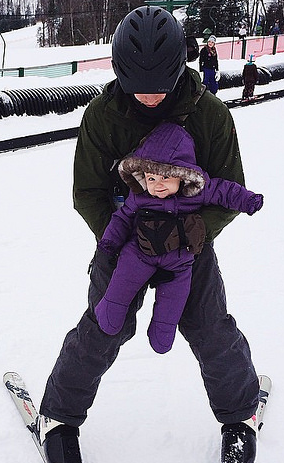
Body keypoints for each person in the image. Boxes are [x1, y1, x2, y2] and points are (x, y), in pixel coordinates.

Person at [39, 5, 261, 463]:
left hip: (189, 246)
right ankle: (58, 416)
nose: (150, 94)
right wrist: (123, 239)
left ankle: (241, 416)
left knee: (209, 329)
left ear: (180, 66)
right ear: (119, 72)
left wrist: (189, 235)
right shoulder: (103, 116)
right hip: (127, 248)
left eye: (160, 82)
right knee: (103, 327)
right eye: (139, 84)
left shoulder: (209, 114)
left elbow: (229, 186)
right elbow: (89, 194)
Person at [95, 122, 263, 354]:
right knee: (123, 278)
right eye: (151, 179)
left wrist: (248, 200)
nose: (157, 185)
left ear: (181, 175)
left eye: (165, 178)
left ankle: (162, 329)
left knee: (175, 296)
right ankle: (111, 309)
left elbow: (225, 190)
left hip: (179, 258)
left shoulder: (196, 191)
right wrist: (109, 243)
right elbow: (122, 218)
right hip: (139, 252)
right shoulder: (139, 196)